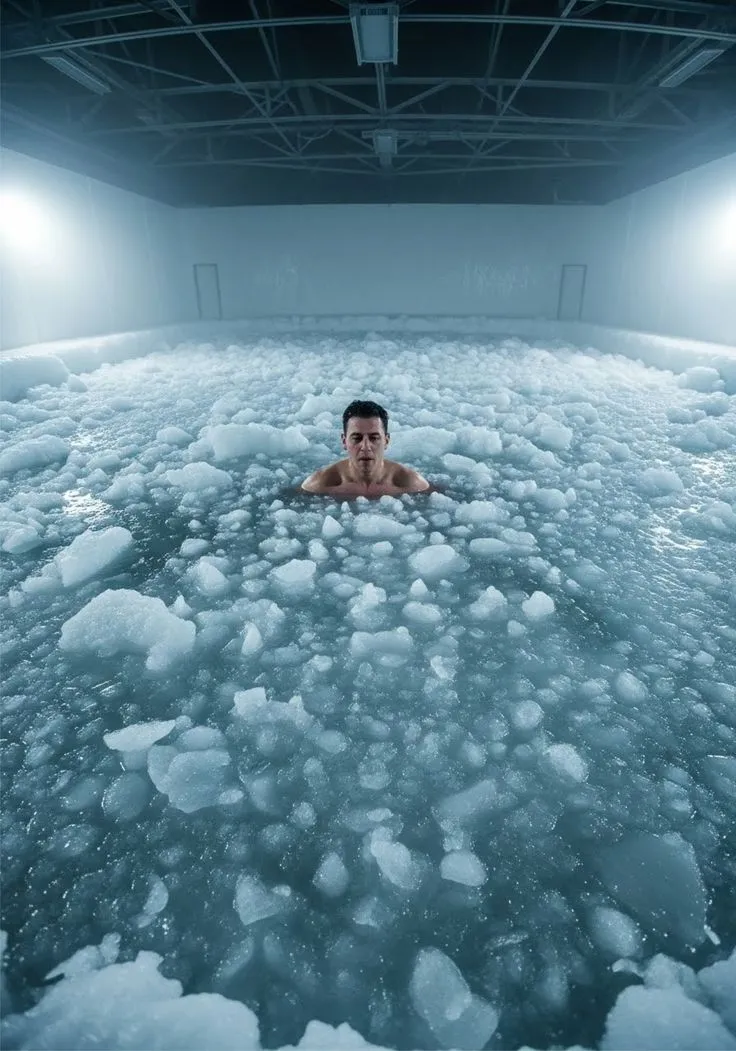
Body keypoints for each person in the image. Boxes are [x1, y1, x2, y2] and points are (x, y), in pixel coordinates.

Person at [300, 399, 434, 497]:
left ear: (386, 441)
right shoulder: (318, 485)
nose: (365, 446)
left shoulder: (412, 484)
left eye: (374, 438)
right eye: (357, 438)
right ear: (344, 441)